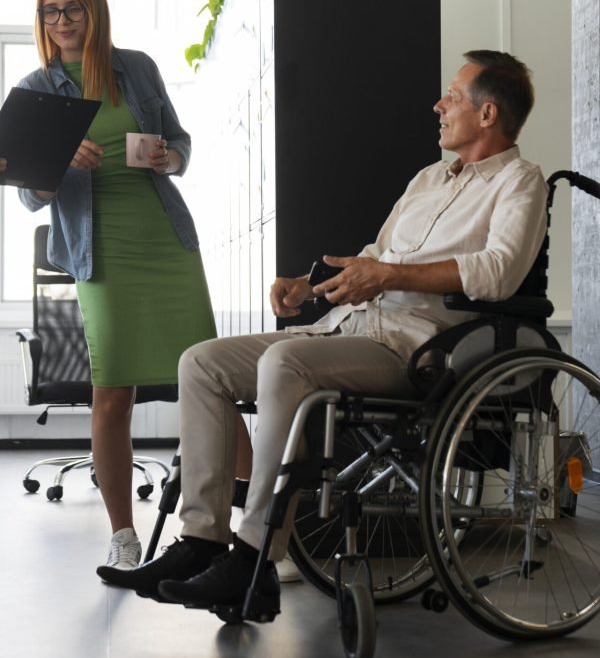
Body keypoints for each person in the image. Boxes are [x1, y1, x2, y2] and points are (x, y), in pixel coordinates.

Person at [97, 50, 548, 616]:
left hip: (420, 346)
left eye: (453, 96)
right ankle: (201, 541)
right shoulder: (429, 178)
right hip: (351, 327)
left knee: (283, 363)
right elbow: (377, 256)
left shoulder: (520, 182)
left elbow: (499, 272)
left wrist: (389, 275)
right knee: (201, 363)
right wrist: (310, 287)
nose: (439, 104)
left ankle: (254, 557)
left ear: (487, 115)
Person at [16, 0, 252, 571]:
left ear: (94, 10)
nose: (62, 21)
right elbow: (26, 193)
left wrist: (172, 156)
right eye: (50, 10)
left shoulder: (137, 68)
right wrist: (61, 161)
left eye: (73, 8)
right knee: (112, 393)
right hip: (101, 254)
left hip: (165, 240)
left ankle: (258, 532)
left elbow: (180, 142)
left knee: (213, 385)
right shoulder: (35, 89)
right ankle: (123, 536)